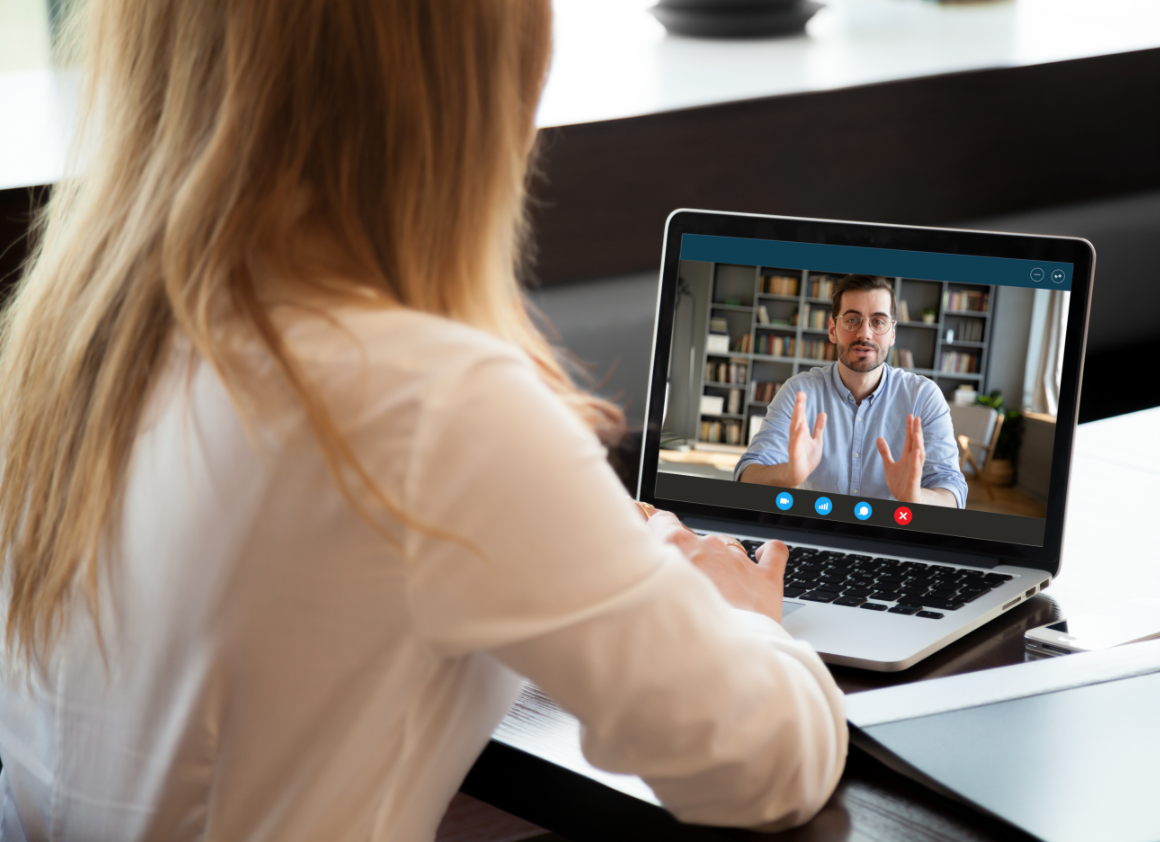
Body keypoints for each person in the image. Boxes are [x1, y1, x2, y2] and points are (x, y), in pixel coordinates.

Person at [0, 1, 845, 840]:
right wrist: (736, 620)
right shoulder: (430, 404)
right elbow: (760, 764)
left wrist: (592, 557)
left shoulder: (69, 347)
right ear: (468, 87)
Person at [736, 274, 966, 508]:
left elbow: (952, 493)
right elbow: (747, 475)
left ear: (893, 333)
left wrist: (915, 497)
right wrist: (787, 475)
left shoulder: (924, 397)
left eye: (878, 322)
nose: (865, 334)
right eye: (852, 319)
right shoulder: (799, 392)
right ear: (833, 329)